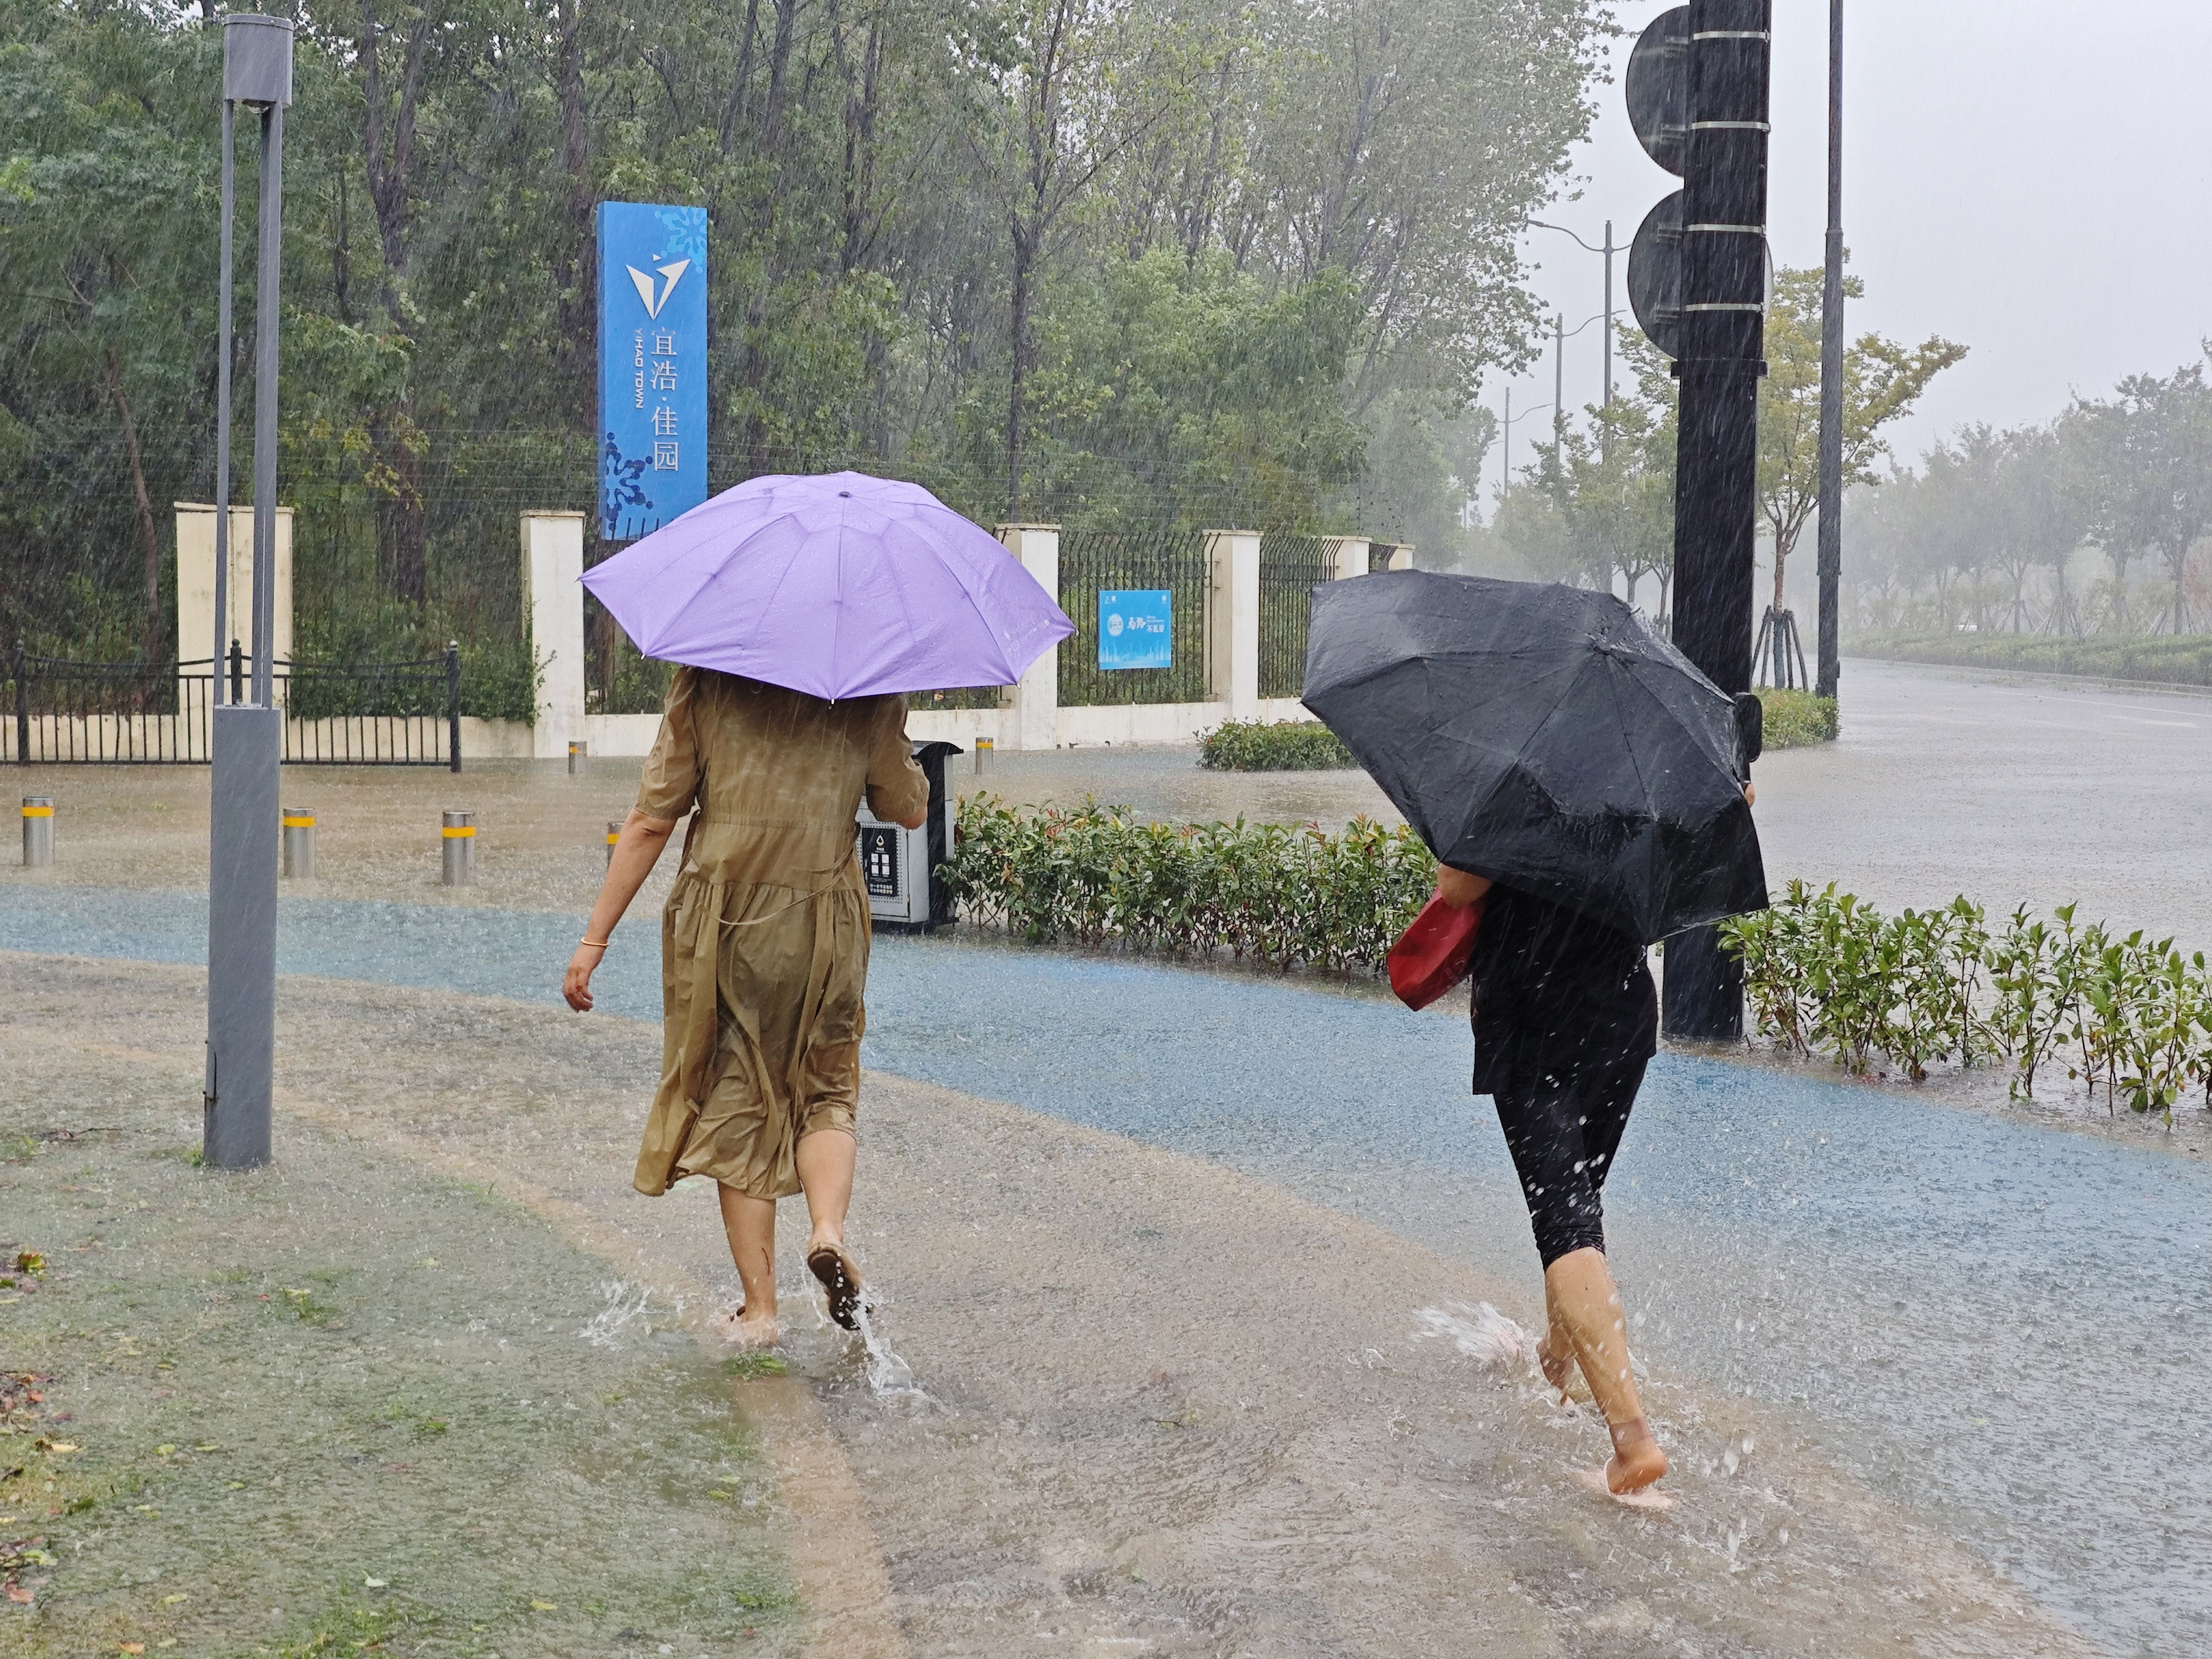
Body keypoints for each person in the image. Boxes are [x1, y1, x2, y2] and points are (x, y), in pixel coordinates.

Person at [563, 665, 929, 1349]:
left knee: (738, 1096)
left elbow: (651, 819)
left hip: (728, 921)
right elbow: (907, 810)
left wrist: (594, 939)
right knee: (826, 1086)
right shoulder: (867, 681)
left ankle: (761, 1312)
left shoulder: (706, 680)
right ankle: (827, 1232)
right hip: (827, 917)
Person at [1434, 781, 1755, 1503]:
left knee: (1566, 1219)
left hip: (1532, 1011)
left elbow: (1456, 887)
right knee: (1578, 1199)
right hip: (1622, 1010)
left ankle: (1632, 1441)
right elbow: (1696, 860)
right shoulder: (1649, 768)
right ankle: (1560, 1350)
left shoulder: (1519, 772)